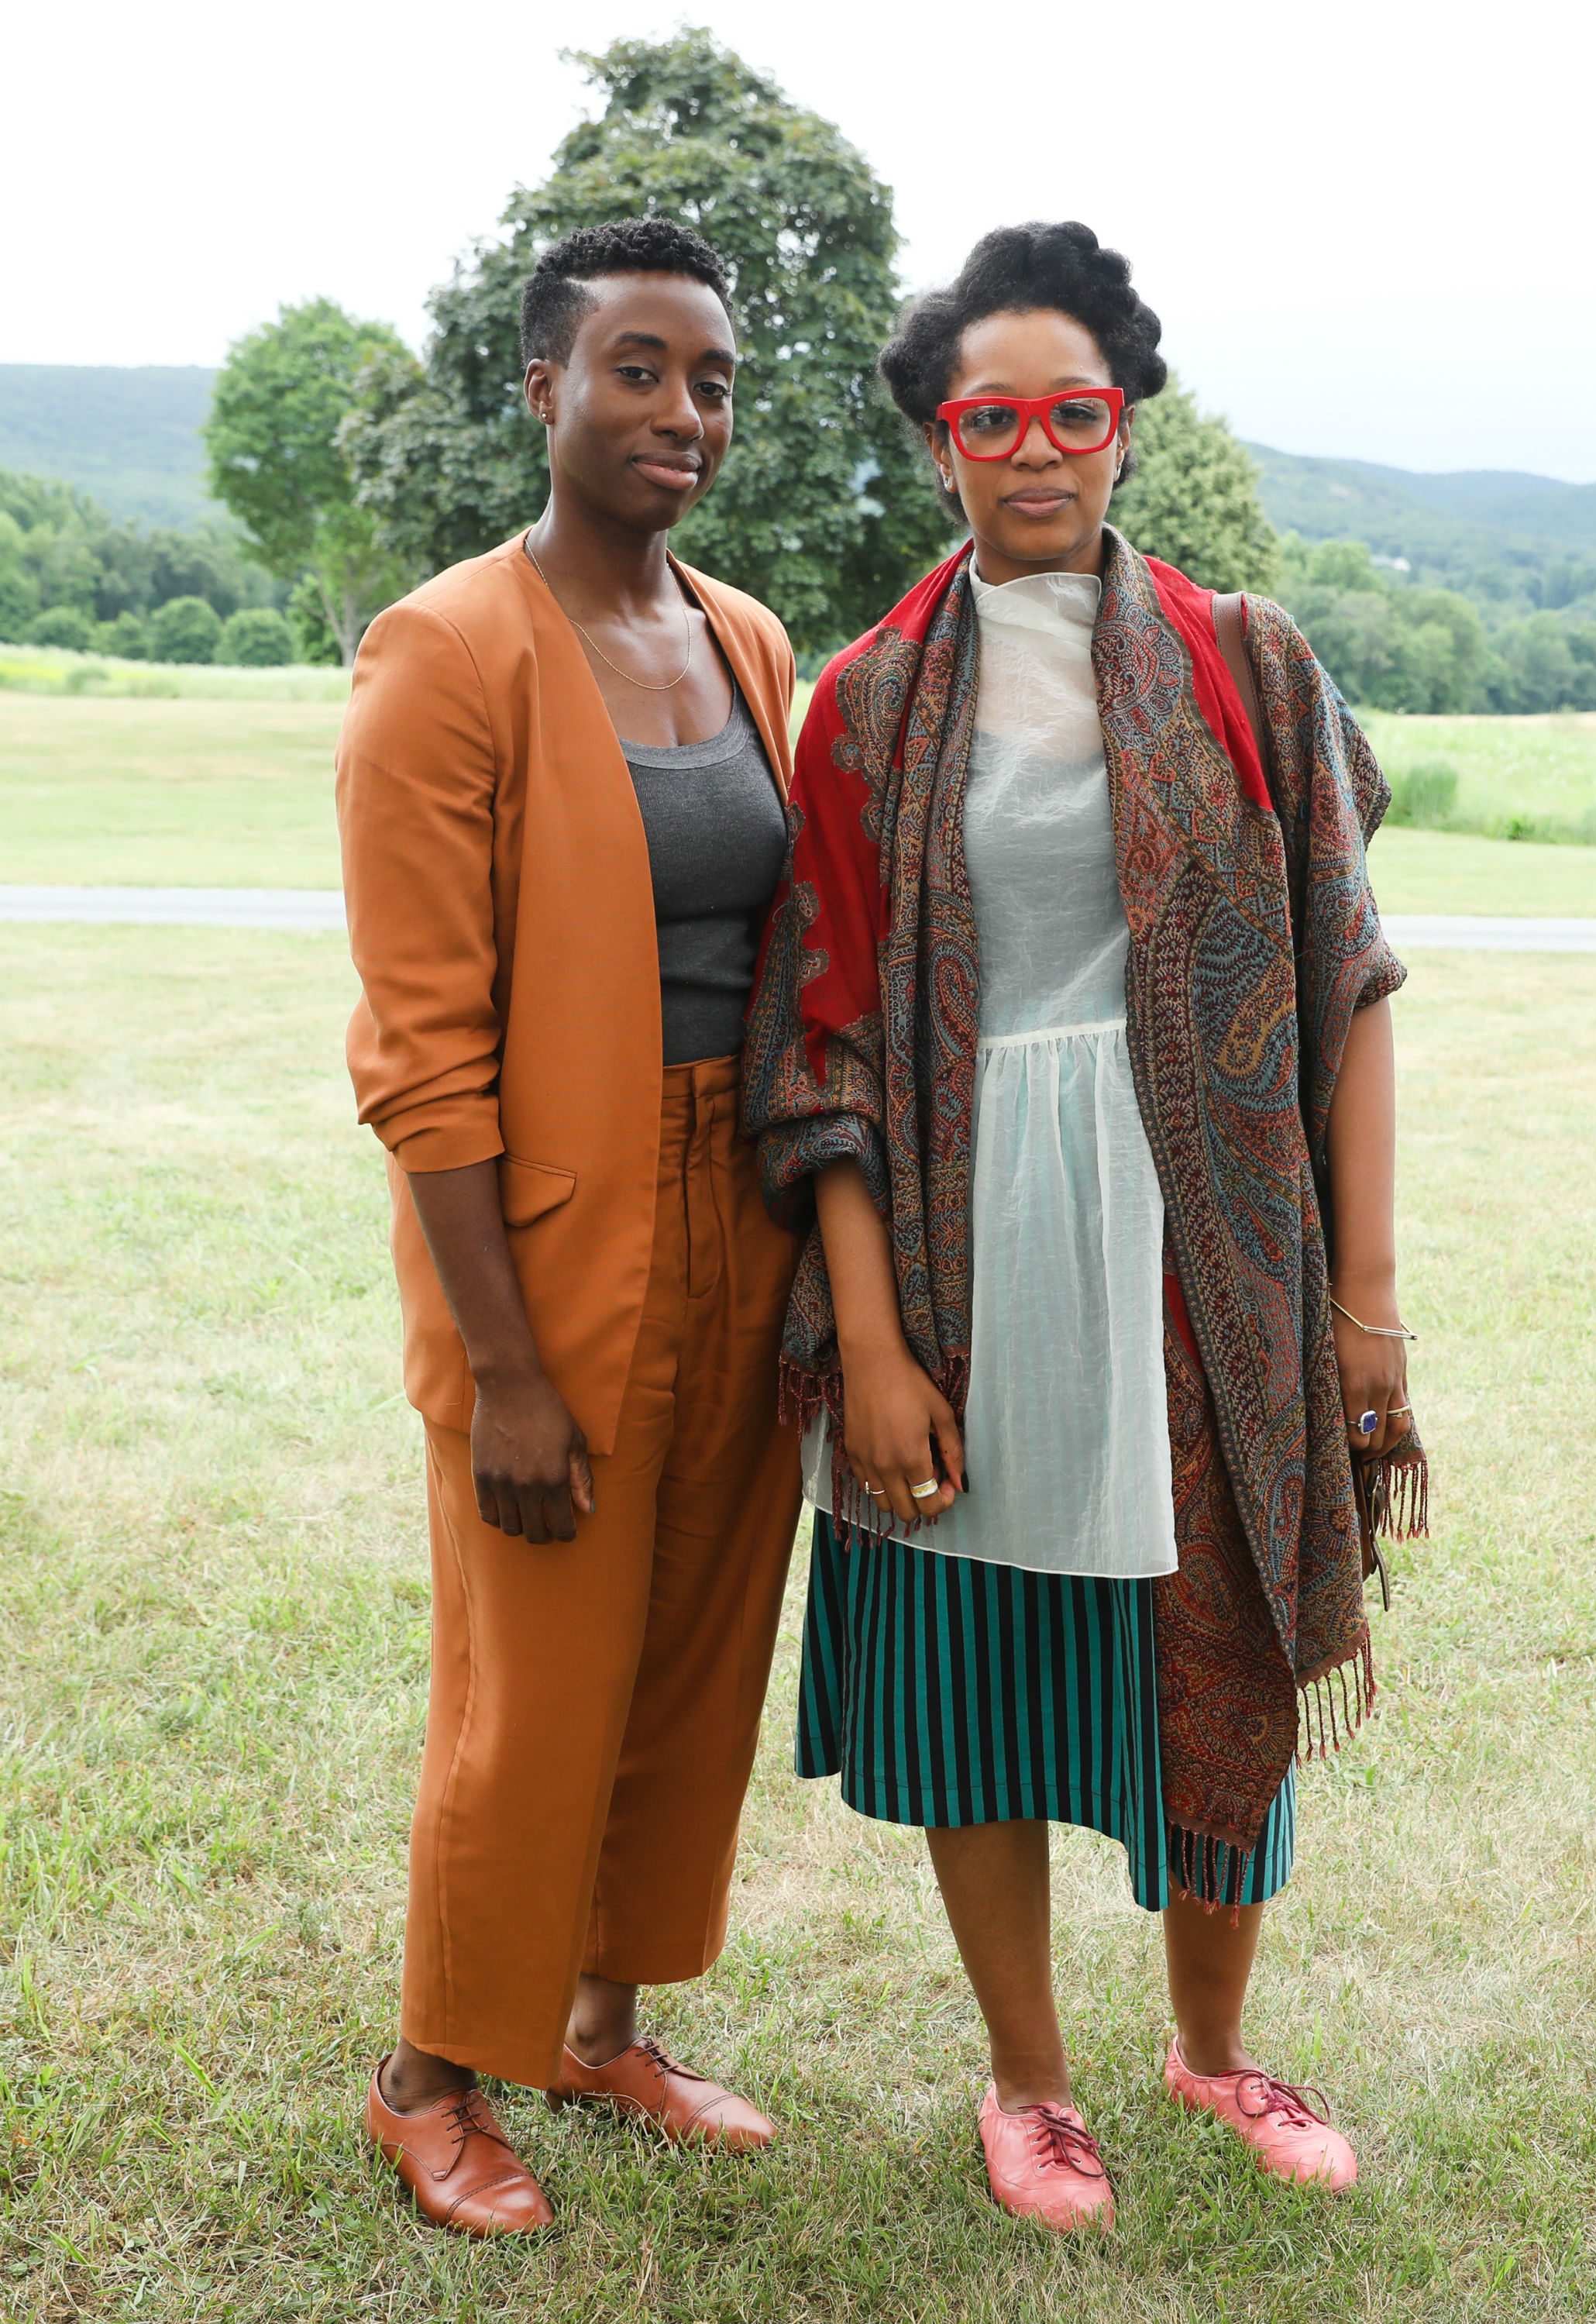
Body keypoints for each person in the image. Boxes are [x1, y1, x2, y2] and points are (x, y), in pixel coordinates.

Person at [743, 220, 1427, 2234]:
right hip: (963, 1249)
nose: (1033, 448)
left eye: (1073, 410)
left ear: (1124, 425)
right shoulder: (870, 702)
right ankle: (1030, 2085)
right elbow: (824, 1052)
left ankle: (1212, 2051)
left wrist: (1367, 1308)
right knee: (981, 1665)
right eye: (991, 418)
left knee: (1217, 1629)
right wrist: (873, 1345)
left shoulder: (1250, 659)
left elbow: (1349, 982)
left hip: (1208, 1248)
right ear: (937, 443)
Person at [338, 218, 803, 2236]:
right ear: (542, 387)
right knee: (527, 1687)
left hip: (743, 1224)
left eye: (711, 380)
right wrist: (507, 1368)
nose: (682, 411)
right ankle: (432, 2074)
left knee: (691, 1655)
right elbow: (420, 1058)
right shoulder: (446, 653)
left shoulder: (747, 640)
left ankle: (605, 2025)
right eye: (637, 369)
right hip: (544, 1254)